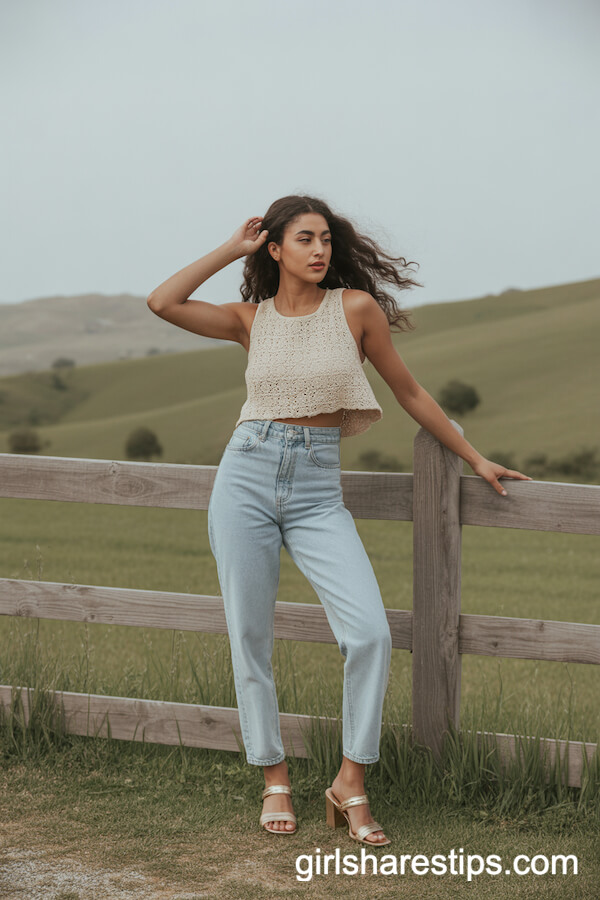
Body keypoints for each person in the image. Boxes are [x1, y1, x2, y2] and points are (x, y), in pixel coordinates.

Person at [147, 194, 532, 846]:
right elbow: (162, 303)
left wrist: (475, 456)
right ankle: (273, 776)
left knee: (370, 633)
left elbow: (408, 390)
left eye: (326, 238)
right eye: (303, 239)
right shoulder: (251, 319)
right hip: (245, 477)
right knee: (250, 635)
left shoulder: (355, 310)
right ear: (275, 249)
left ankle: (350, 780)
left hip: (317, 491)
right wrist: (229, 248)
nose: (319, 249)